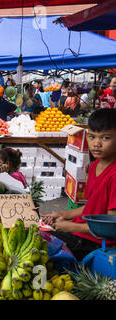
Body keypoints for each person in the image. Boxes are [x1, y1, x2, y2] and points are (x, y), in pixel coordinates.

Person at [42, 108, 116, 261]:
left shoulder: (114, 175)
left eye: (105, 138)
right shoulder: (95, 166)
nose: (96, 143)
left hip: (97, 244)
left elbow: (111, 228)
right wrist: (63, 214)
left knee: (39, 246)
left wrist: (70, 227)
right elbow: (92, 207)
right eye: (92, 137)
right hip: (80, 234)